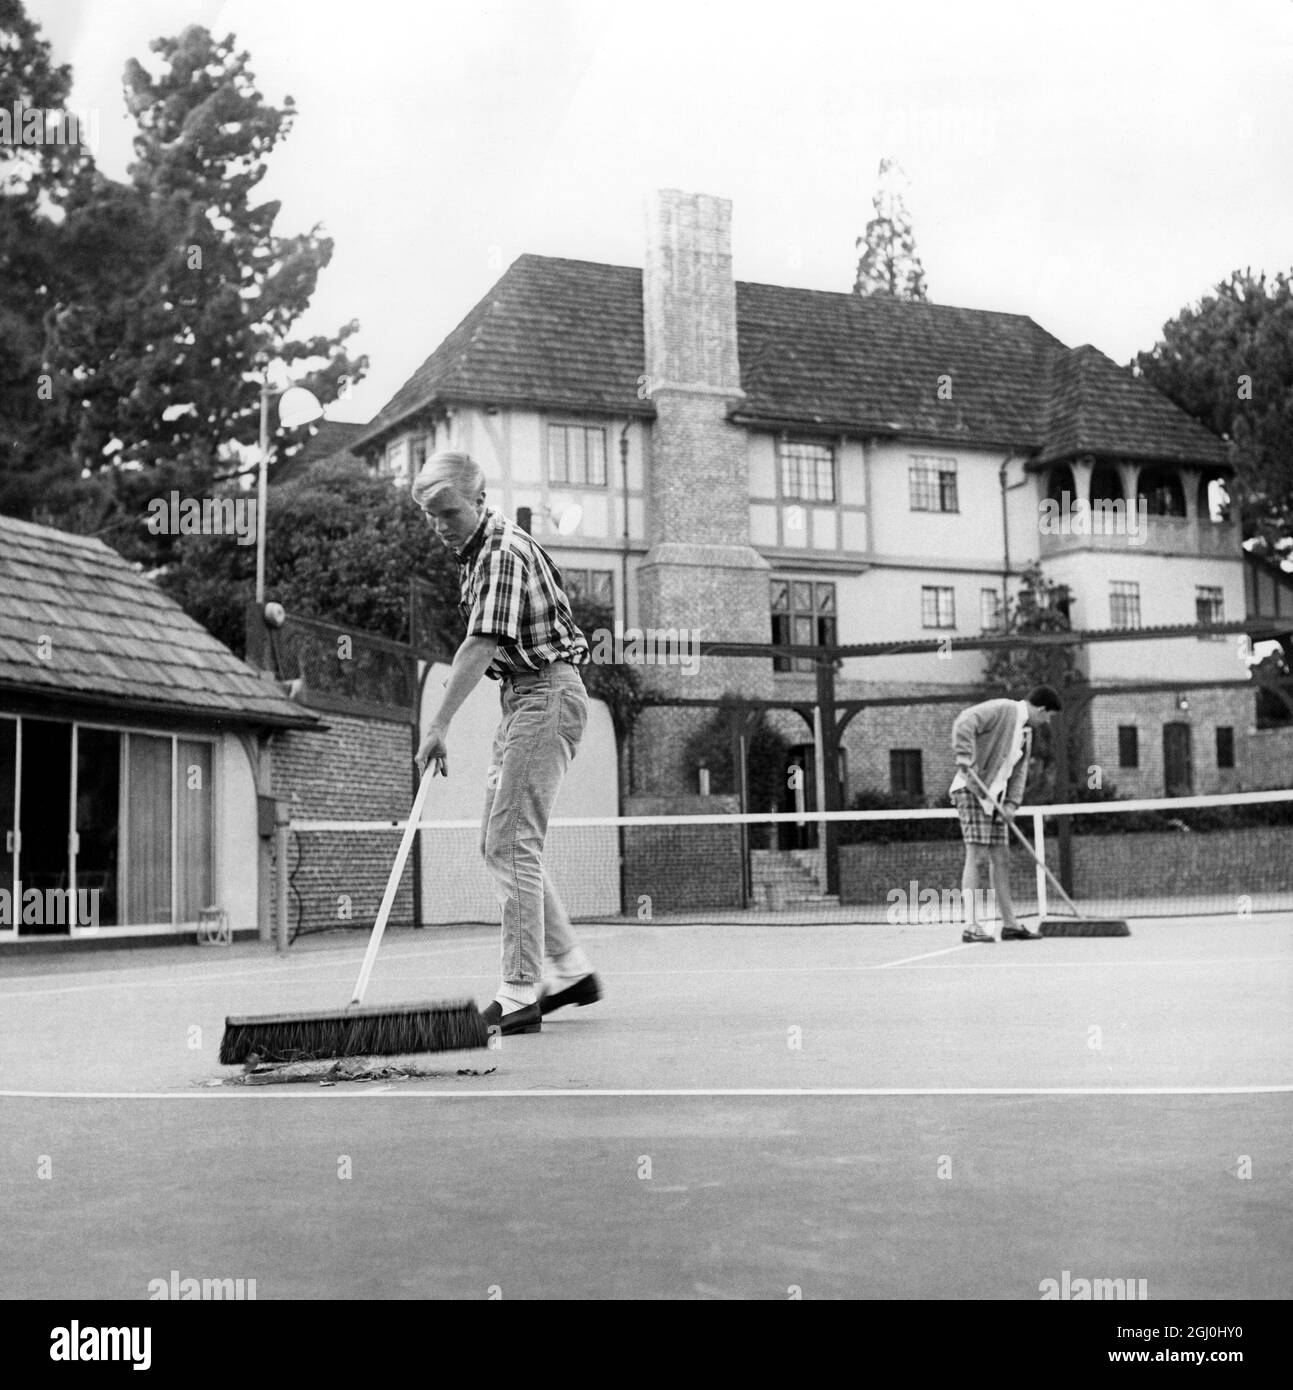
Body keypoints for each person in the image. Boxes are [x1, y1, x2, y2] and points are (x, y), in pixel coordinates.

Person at [411, 451, 602, 1034]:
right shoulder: (475, 553)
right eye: (429, 515)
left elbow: (481, 644)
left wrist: (437, 724)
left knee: (509, 842)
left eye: (447, 512)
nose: (438, 525)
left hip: (545, 696)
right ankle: (570, 970)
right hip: (525, 700)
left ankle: (519, 992)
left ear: (478, 499)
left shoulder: (498, 552)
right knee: (505, 843)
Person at [948, 685, 1062, 942]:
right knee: (976, 854)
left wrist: (1011, 803)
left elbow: (1019, 772)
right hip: (972, 789)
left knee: (1001, 857)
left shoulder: (1026, 733)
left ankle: (1010, 924)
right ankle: (972, 926)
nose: (1046, 722)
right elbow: (964, 721)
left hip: (995, 799)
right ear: (1042, 709)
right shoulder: (1004, 709)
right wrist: (965, 757)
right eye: (1048, 717)